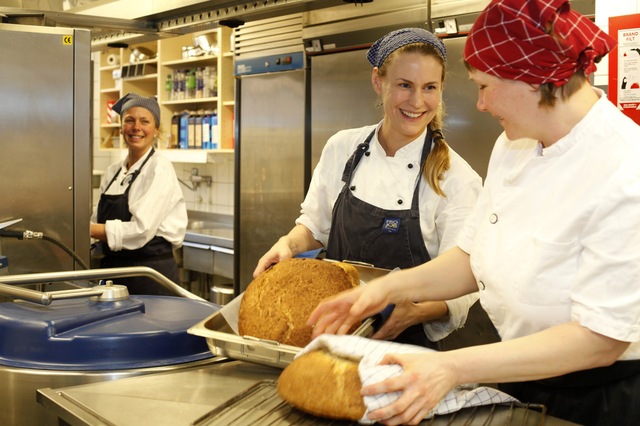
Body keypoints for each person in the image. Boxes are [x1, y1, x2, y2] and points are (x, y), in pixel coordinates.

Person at [308, 1, 640, 425]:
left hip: (596, 400)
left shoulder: (626, 169)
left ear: (534, 81)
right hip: (516, 373)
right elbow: (471, 257)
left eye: (485, 86)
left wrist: (452, 367)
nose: (480, 104)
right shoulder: (513, 146)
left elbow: (600, 341)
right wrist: (382, 290)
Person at [254, 28, 487, 349]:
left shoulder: (458, 179)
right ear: (379, 81)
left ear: (441, 89)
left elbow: (464, 285)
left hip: (405, 349)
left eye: (429, 87)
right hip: (331, 335)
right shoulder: (342, 147)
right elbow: (314, 226)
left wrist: (415, 312)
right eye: (404, 85)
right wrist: (288, 244)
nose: (417, 102)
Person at [90, 93, 187, 296]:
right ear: (121, 127)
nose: (136, 127)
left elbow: (141, 230)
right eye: (129, 120)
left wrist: (87, 230)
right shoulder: (113, 171)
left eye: (145, 121)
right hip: (113, 274)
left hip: (149, 275)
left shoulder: (159, 168)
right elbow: (96, 220)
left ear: (156, 130)